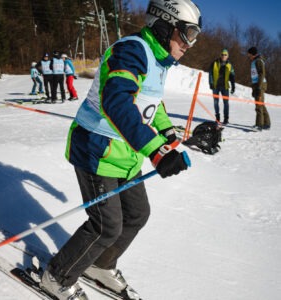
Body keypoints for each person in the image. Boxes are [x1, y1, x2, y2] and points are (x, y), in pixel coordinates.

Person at [40, 1, 201, 299]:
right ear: (165, 26)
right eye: (188, 33)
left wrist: (169, 134)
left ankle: (100, 265)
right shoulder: (132, 50)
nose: (190, 43)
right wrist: (156, 150)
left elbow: (151, 102)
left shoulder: (158, 58)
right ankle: (56, 276)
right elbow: (117, 102)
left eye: (195, 36)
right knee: (106, 226)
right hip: (97, 149)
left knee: (138, 213)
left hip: (125, 154)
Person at [209, 48, 235, 124]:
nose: (223, 56)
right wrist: (211, 83)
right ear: (220, 55)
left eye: (225, 55)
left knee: (226, 103)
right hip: (216, 86)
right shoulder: (214, 63)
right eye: (222, 54)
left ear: (227, 56)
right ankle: (217, 117)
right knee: (215, 103)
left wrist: (233, 86)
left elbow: (232, 76)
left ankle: (226, 118)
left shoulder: (230, 65)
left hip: (225, 87)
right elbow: (210, 74)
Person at [247, 46, 271, 131]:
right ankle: (266, 123)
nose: (248, 55)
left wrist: (259, 87)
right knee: (261, 104)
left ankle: (259, 125)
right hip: (256, 85)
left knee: (258, 105)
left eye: (249, 54)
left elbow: (262, 74)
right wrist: (254, 87)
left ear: (252, 54)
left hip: (260, 85)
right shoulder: (254, 61)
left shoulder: (258, 61)